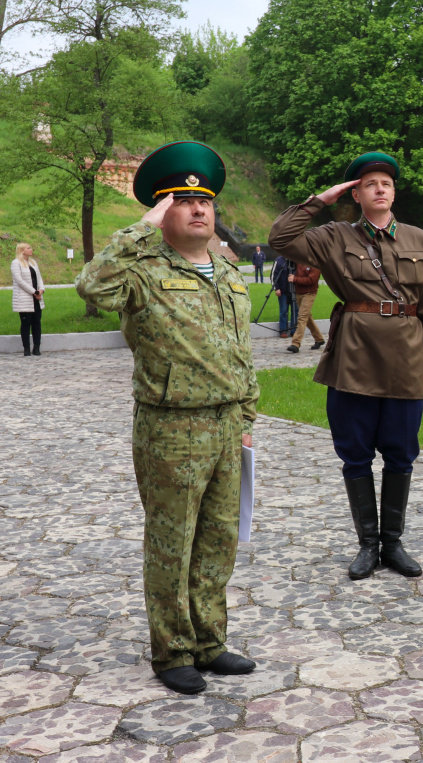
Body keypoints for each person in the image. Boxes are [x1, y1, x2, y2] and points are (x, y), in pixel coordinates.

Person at [76, 141, 259, 695]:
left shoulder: (228, 274)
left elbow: (240, 351)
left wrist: (247, 413)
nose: (199, 208)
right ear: (162, 212)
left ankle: (210, 640)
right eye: (182, 200)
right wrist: (140, 228)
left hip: (228, 426)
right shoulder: (143, 272)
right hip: (172, 428)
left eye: (205, 201)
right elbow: (92, 285)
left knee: (218, 541)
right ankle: (172, 649)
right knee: (172, 543)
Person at [268, 150, 423, 583]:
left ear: (394, 191)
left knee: (401, 453)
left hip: (405, 359)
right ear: (357, 194)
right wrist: (320, 201)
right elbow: (279, 238)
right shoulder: (334, 236)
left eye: (385, 182)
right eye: (369, 184)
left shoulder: (419, 239)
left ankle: (394, 543)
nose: (379, 188)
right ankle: (368, 545)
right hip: (354, 358)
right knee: (356, 454)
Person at [10, 243, 45, 357]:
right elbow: (20, 281)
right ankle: (26, 348)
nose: (31, 249)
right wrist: (34, 292)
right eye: (28, 248)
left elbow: (39, 278)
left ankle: (37, 347)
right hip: (25, 298)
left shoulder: (33, 263)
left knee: (36, 322)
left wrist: (41, 290)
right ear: (22, 251)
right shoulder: (16, 263)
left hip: (36, 299)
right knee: (26, 323)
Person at [287, 261, 326, 353]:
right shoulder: (298, 262)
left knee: (302, 317)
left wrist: (295, 279)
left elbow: (311, 280)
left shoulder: (315, 264)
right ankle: (319, 339)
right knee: (307, 318)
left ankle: (295, 343)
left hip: (309, 293)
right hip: (299, 293)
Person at [271, 254, 297, 337]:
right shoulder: (279, 260)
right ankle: (283, 331)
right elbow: (273, 275)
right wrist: (276, 288)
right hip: (283, 291)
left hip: (295, 291)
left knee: (295, 311)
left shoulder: (296, 260)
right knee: (283, 311)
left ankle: (294, 330)